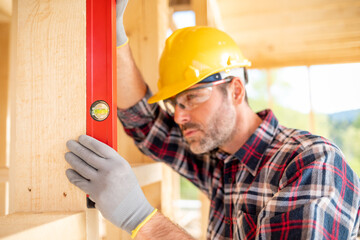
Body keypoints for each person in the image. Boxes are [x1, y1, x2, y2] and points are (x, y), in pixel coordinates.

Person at [64, 0, 360, 239]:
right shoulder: (220, 162)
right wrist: (115, 40)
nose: (179, 115)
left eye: (192, 97)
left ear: (235, 90)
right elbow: (146, 124)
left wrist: (142, 220)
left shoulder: (311, 163)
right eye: (175, 103)